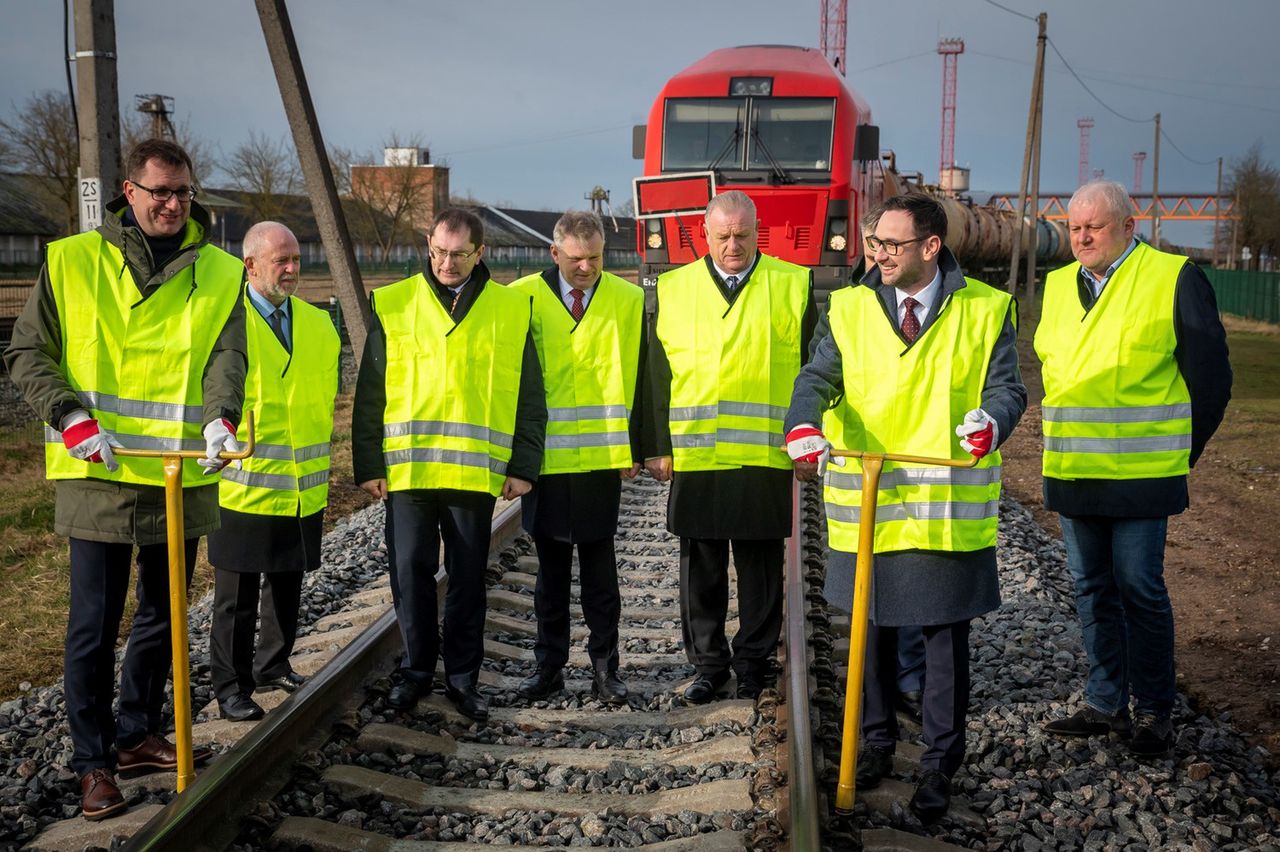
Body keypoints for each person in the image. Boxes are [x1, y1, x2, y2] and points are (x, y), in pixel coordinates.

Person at [3, 138, 245, 820]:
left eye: (183, 193)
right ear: (128, 192)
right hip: (100, 471)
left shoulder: (221, 273)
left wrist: (222, 419)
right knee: (93, 625)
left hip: (178, 472)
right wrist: (70, 417)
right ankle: (93, 762)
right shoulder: (70, 260)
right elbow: (27, 350)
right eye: (160, 192)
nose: (172, 204)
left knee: (163, 617)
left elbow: (227, 357)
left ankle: (137, 734)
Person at [786, 192, 1026, 822]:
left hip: (946, 510)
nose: (877, 253)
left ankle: (939, 765)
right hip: (870, 502)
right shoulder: (848, 307)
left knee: (945, 642)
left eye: (891, 244)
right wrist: (803, 423)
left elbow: (1007, 388)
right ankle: (874, 744)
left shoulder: (986, 308)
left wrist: (992, 423)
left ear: (930, 247)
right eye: (874, 242)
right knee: (869, 628)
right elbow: (817, 378)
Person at [1038, 180, 1231, 757]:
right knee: (1091, 590)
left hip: (1143, 479)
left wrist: (1177, 454)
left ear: (1128, 226)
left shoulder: (1172, 278)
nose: (1082, 237)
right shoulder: (1054, 286)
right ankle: (1105, 705)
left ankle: (1153, 710)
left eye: (1094, 226)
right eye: (1074, 227)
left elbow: (1211, 379)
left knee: (1140, 590)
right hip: (1074, 472)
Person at [352, 208, 546, 723]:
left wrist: (523, 463)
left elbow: (529, 395)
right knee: (410, 573)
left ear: (480, 252)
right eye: (438, 250)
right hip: (409, 474)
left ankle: (463, 678)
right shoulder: (394, 304)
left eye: (459, 253)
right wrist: (370, 461)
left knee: (466, 580)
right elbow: (370, 393)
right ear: (428, 244)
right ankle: (416, 672)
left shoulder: (510, 309)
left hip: (471, 475)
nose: (446, 262)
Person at [644, 190, 817, 703]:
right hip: (696, 455)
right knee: (702, 568)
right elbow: (654, 374)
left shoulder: (793, 284)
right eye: (723, 236)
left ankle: (754, 665)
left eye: (743, 235)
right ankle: (709, 665)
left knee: (761, 566)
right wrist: (656, 445)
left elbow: (813, 369)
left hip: (764, 455)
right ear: (706, 234)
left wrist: (808, 440)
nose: (733, 246)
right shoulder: (672, 289)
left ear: (757, 231)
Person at [509, 212, 645, 705]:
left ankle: (607, 669)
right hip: (544, 463)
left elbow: (641, 371)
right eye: (576, 259)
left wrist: (639, 444)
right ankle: (549, 668)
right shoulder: (520, 297)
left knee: (600, 573)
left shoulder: (628, 299)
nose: (586, 267)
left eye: (595, 258)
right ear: (555, 253)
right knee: (549, 576)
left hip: (600, 462)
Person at [207, 222, 340, 722]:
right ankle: (231, 686)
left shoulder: (316, 322)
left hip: (302, 483)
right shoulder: (225, 321)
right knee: (235, 598)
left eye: (295, 260)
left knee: (288, 579)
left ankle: (273, 664)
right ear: (250, 265)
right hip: (242, 482)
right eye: (280, 260)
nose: (290, 269)